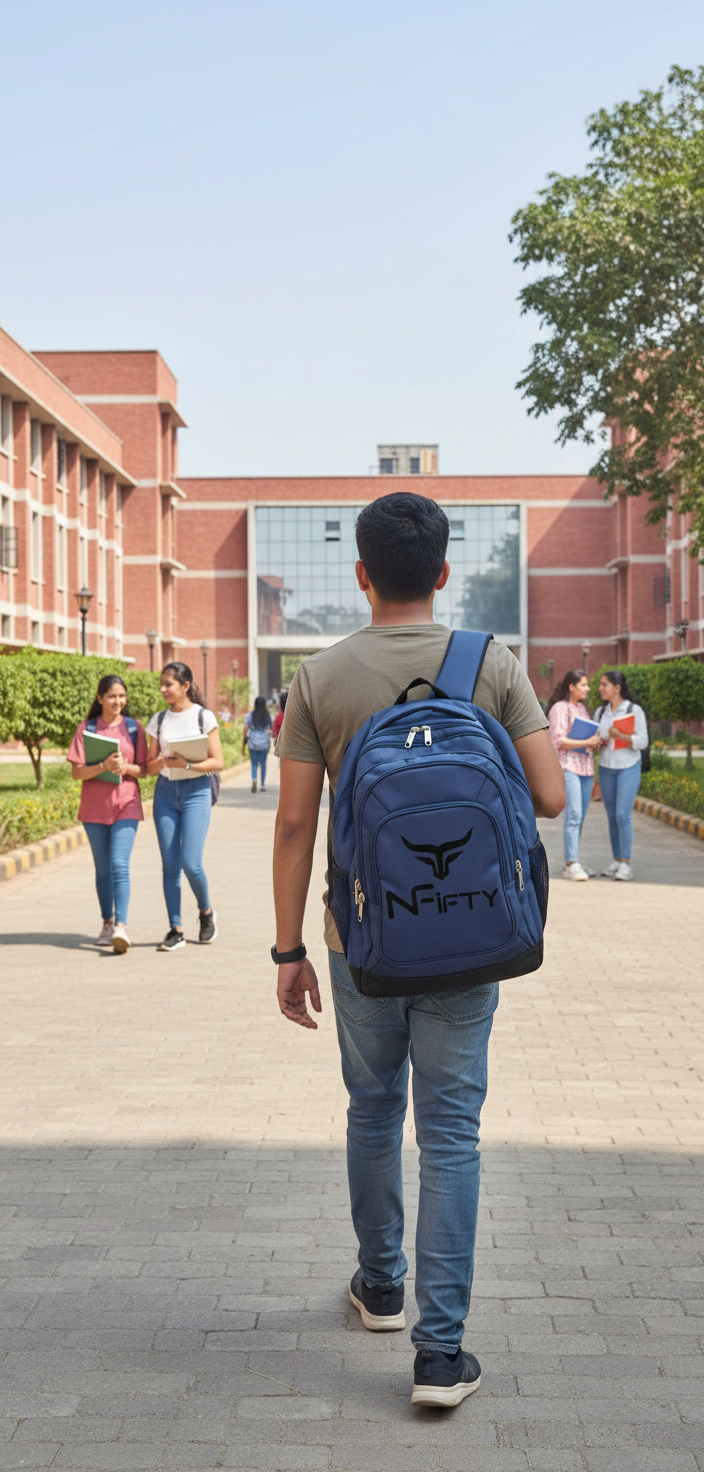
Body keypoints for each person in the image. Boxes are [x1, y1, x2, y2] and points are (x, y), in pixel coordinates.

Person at [272, 492, 564, 1408]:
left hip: (360, 938)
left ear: (361, 574)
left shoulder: (318, 676)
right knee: (451, 1135)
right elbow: (551, 798)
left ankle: (381, 1287)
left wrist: (287, 951)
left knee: (371, 1109)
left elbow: (291, 825)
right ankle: (441, 1356)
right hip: (474, 934)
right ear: (441, 573)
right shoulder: (492, 662)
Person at [67, 674, 148, 953]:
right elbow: (77, 771)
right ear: (100, 698)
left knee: (118, 864)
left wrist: (125, 768)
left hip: (127, 802)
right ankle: (107, 922)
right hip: (94, 807)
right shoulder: (87, 728)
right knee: (102, 869)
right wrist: (103, 765)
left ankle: (121, 927)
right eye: (112, 696)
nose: (118, 701)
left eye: (122, 696)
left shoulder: (134, 728)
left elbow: (144, 769)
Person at [146, 662, 224, 950]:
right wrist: (160, 761)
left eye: (169, 684)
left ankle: (206, 912)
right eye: (162, 684)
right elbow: (150, 767)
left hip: (196, 792)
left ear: (185, 686)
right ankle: (174, 928)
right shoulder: (158, 720)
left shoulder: (204, 717)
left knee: (191, 863)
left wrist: (188, 764)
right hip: (165, 793)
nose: (164, 689)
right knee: (169, 866)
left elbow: (218, 761)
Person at [546, 669, 600, 881]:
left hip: (585, 768)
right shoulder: (560, 709)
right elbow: (558, 740)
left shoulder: (583, 710)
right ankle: (571, 863)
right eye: (584, 685)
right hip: (568, 767)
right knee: (574, 815)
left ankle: (573, 859)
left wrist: (593, 742)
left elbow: (584, 738)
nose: (587, 689)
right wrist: (586, 742)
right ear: (572, 687)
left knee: (581, 817)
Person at [596, 669, 648, 881]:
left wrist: (624, 736)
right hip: (607, 767)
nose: (600, 688)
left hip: (628, 766)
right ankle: (617, 860)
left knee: (622, 815)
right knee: (611, 817)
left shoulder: (635, 711)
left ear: (617, 688)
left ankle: (626, 863)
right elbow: (597, 740)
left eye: (604, 684)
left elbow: (643, 741)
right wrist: (603, 741)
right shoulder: (601, 712)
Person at [243, 696, 273, 792]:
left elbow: (245, 728)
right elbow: (271, 729)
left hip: (253, 741)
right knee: (263, 763)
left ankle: (254, 779)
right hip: (264, 742)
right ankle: (262, 785)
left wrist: (244, 740)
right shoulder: (268, 716)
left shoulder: (250, 715)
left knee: (254, 763)